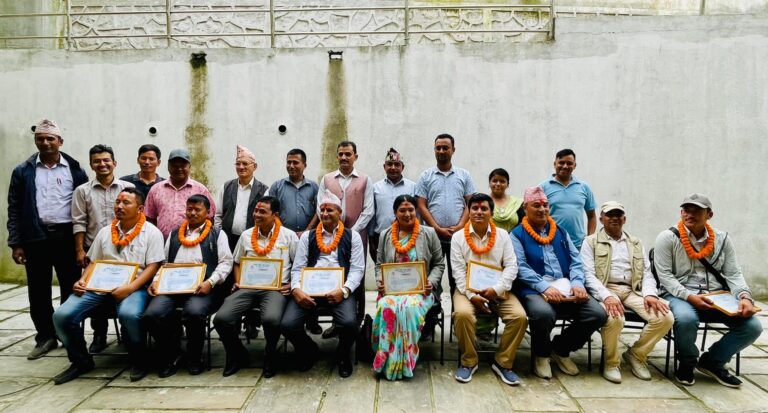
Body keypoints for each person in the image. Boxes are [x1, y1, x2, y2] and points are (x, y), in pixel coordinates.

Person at [52, 188, 165, 384]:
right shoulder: (105, 231)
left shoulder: (152, 232)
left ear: (140, 209)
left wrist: (130, 288)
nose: (119, 206)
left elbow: (153, 266)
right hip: (98, 286)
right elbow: (94, 261)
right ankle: (80, 361)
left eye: (126, 203)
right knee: (62, 316)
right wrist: (82, 280)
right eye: (117, 202)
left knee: (129, 314)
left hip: (134, 287)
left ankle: (139, 359)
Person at [654, 193, 761, 388]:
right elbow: (665, 277)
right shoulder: (667, 237)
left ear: (709, 215)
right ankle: (687, 363)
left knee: (753, 326)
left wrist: (745, 297)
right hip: (679, 294)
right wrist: (690, 297)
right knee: (686, 319)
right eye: (686, 210)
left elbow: (733, 273)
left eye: (696, 210)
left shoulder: (722, 239)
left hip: (716, 296)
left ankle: (713, 362)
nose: (689, 214)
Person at [7, 119, 88, 360]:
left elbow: (84, 206)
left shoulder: (75, 169)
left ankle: (68, 333)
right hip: (36, 237)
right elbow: (14, 208)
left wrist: (83, 244)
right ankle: (45, 336)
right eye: (40, 138)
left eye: (50, 138)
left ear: (60, 141)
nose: (45, 142)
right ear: (35, 141)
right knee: (38, 289)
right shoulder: (23, 171)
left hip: (66, 237)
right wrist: (16, 243)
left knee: (70, 287)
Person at [511, 187, 606, 379]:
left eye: (545, 205)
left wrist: (577, 283)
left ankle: (561, 349)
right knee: (543, 313)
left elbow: (576, 261)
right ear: (525, 208)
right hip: (534, 288)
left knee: (597, 314)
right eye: (536, 205)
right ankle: (542, 355)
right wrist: (545, 287)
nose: (542, 209)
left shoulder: (560, 231)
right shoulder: (516, 234)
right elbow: (520, 267)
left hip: (567, 286)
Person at [582, 201, 673, 383]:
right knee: (615, 318)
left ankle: (636, 355)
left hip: (633, 290)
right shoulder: (590, 241)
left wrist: (650, 294)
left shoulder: (635, 242)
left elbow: (647, 272)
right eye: (610, 215)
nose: (614, 218)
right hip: (606, 288)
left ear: (625, 219)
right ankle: (611, 362)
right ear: (601, 219)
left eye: (618, 215)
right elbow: (587, 275)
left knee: (665, 317)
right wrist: (607, 296)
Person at [144, 194, 233, 377]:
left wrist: (210, 282)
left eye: (197, 210)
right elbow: (165, 262)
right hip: (172, 287)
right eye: (189, 209)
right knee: (152, 314)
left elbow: (226, 262)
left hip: (203, 288)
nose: (192, 213)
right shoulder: (175, 234)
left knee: (194, 313)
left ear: (208, 213)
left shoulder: (217, 234)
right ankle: (171, 353)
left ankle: (194, 356)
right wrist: (156, 281)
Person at [281, 190, 364, 378]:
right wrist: (296, 290)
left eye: (330, 210)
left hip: (339, 290)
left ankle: (343, 355)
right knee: (287, 324)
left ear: (340, 213)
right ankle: (308, 349)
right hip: (309, 290)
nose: (325, 214)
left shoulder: (353, 236)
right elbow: (298, 267)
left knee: (349, 324)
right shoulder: (307, 237)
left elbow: (357, 270)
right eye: (322, 210)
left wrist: (344, 290)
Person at [214, 196, 298, 378]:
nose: (257, 215)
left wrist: (292, 284)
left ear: (275, 215)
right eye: (256, 211)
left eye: (262, 212)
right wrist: (239, 282)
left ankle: (270, 355)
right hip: (247, 287)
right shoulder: (246, 235)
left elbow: (299, 265)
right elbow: (237, 262)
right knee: (221, 319)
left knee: (271, 319)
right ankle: (237, 354)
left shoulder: (288, 236)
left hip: (276, 289)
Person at [451, 193, 527, 385]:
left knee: (519, 317)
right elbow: (458, 272)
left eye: (484, 208)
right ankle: (469, 361)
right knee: (462, 314)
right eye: (474, 208)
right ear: (469, 212)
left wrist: (497, 289)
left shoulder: (503, 235)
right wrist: (471, 295)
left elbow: (512, 266)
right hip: (467, 290)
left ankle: (503, 362)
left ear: (491, 213)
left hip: (498, 290)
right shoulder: (458, 237)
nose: (479, 212)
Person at [372, 195, 444, 380]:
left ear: (416, 211)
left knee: (409, 309)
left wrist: (431, 282)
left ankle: (405, 362)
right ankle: (386, 357)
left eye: (410, 210)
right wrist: (380, 281)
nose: (407, 214)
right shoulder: (385, 235)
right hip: (392, 291)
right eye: (402, 210)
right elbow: (379, 265)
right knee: (386, 306)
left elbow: (439, 263)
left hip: (421, 291)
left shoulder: (428, 233)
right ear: (395, 213)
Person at [72, 144, 135, 354]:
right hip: (95, 252)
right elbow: (79, 222)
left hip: (126, 251)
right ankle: (99, 335)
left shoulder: (127, 188)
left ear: (114, 163)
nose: (102, 164)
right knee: (95, 292)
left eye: (106, 160)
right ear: (91, 165)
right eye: (97, 161)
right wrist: (80, 250)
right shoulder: (82, 191)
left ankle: (127, 333)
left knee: (125, 291)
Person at [317, 141, 373, 337]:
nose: (344, 157)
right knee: (334, 272)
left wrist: (351, 233)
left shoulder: (365, 180)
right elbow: (320, 207)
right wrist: (335, 230)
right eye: (340, 154)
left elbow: (368, 210)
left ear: (355, 156)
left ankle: (357, 320)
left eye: (348, 154)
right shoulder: (327, 179)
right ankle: (337, 321)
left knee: (357, 275)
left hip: (357, 236)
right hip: (329, 236)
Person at [268, 149, 321, 335]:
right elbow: (272, 211)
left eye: (295, 162)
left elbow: (318, 211)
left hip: (309, 239)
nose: (291, 166)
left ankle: (312, 320)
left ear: (304, 165)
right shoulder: (277, 186)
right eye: (288, 162)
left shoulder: (314, 187)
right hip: (284, 240)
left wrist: (307, 231)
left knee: (308, 276)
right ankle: (289, 313)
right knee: (290, 274)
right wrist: (287, 233)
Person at [416, 133, 476, 294]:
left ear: (453, 150)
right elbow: (421, 205)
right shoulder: (425, 176)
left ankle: (457, 308)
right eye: (438, 148)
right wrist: (436, 228)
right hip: (432, 236)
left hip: (458, 236)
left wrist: (460, 226)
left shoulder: (464, 175)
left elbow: (471, 203)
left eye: (445, 148)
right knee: (431, 277)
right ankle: (433, 309)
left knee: (457, 277)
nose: (441, 151)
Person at [144, 148, 215, 239]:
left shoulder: (201, 190)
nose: (179, 169)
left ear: (189, 167)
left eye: (183, 165)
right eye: (175, 166)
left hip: (194, 243)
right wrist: (155, 238)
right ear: (168, 166)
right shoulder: (156, 189)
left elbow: (210, 217)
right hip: (161, 242)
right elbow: (149, 217)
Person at [215, 145, 269, 253]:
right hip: (227, 240)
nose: (241, 167)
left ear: (254, 166)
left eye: (245, 164)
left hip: (252, 240)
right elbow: (218, 215)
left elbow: (265, 219)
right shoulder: (226, 187)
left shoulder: (263, 190)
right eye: (238, 164)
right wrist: (219, 235)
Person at [539, 149, 596, 249]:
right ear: (554, 164)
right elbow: (536, 216)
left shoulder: (584, 187)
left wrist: (589, 240)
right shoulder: (543, 187)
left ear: (574, 165)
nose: (565, 166)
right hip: (552, 244)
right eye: (561, 162)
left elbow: (591, 216)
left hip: (579, 245)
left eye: (569, 163)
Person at [370, 148, 416, 262]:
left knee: (408, 269)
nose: (393, 167)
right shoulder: (375, 188)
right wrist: (371, 240)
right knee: (384, 270)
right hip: (382, 237)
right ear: (384, 167)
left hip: (408, 237)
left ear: (402, 167)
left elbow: (417, 213)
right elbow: (372, 215)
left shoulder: (413, 187)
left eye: (397, 164)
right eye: (389, 164)